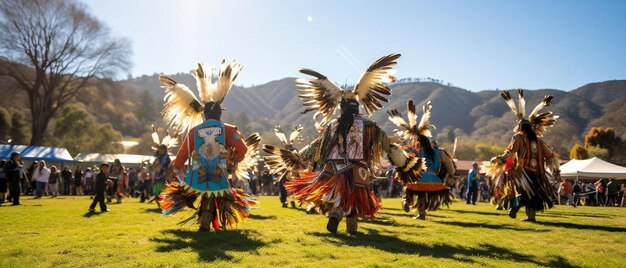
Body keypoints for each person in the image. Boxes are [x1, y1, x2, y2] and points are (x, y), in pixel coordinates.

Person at [285, 54, 425, 234]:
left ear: (341, 108)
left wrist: (299, 157)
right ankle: (351, 227)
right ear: (357, 107)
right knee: (355, 199)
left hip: (333, 169)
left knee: (338, 196)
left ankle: (335, 215)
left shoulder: (333, 125)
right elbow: (385, 144)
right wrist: (403, 163)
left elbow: (317, 145)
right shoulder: (369, 126)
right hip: (358, 170)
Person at [158, 61, 258, 231]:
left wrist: (176, 168)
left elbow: (182, 156)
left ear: (203, 115)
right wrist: (233, 161)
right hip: (219, 175)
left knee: (208, 196)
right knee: (214, 195)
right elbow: (243, 149)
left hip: (198, 175)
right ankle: (205, 224)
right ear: (220, 114)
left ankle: (205, 224)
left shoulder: (193, 132)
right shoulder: (227, 130)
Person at [485, 90, 561, 222]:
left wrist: (499, 159)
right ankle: (531, 217)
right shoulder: (538, 141)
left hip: (522, 172)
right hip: (537, 173)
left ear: (520, 127)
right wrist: (555, 168)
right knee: (531, 194)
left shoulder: (518, 137)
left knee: (523, 192)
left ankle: (516, 206)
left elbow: (511, 151)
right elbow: (550, 155)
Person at [387, 101, 455, 220]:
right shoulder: (439, 153)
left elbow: (405, 162)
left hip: (419, 179)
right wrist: (450, 174)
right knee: (423, 196)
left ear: (419, 143)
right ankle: (422, 214)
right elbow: (450, 167)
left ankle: (407, 202)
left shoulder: (416, 152)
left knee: (411, 191)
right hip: (435, 181)